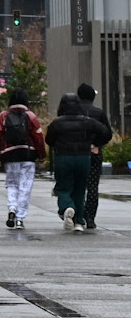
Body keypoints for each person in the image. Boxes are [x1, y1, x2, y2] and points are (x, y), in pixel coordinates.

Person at [45, 93, 112, 232]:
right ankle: (79, 222)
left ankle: (68, 207)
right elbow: (106, 133)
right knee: (80, 189)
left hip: (63, 157)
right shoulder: (88, 122)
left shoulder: (57, 123)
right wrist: (94, 143)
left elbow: (49, 140)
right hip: (83, 157)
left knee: (62, 188)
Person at [0, 98, 45, 229]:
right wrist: (42, 156)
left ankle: (12, 208)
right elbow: (38, 137)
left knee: (12, 184)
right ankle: (20, 218)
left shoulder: (3, 116)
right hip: (27, 155)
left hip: (10, 155)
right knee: (25, 187)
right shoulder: (31, 116)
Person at [77, 83, 113, 231]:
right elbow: (108, 134)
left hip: (76, 152)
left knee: (78, 185)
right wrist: (96, 144)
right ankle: (90, 217)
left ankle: (77, 215)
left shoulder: (73, 113)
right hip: (94, 153)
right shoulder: (99, 113)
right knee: (92, 186)